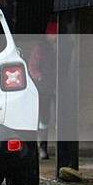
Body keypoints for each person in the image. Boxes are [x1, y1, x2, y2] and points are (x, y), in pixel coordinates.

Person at [29, 20, 57, 159]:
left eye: (55, 33)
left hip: (59, 88)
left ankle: (62, 149)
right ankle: (42, 148)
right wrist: (41, 78)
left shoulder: (63, 47)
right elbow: (32, 68)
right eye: (51, 33)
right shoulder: (39, 49)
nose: (53, 36)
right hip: (44, 89)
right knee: (44, 119)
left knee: (61, 119)